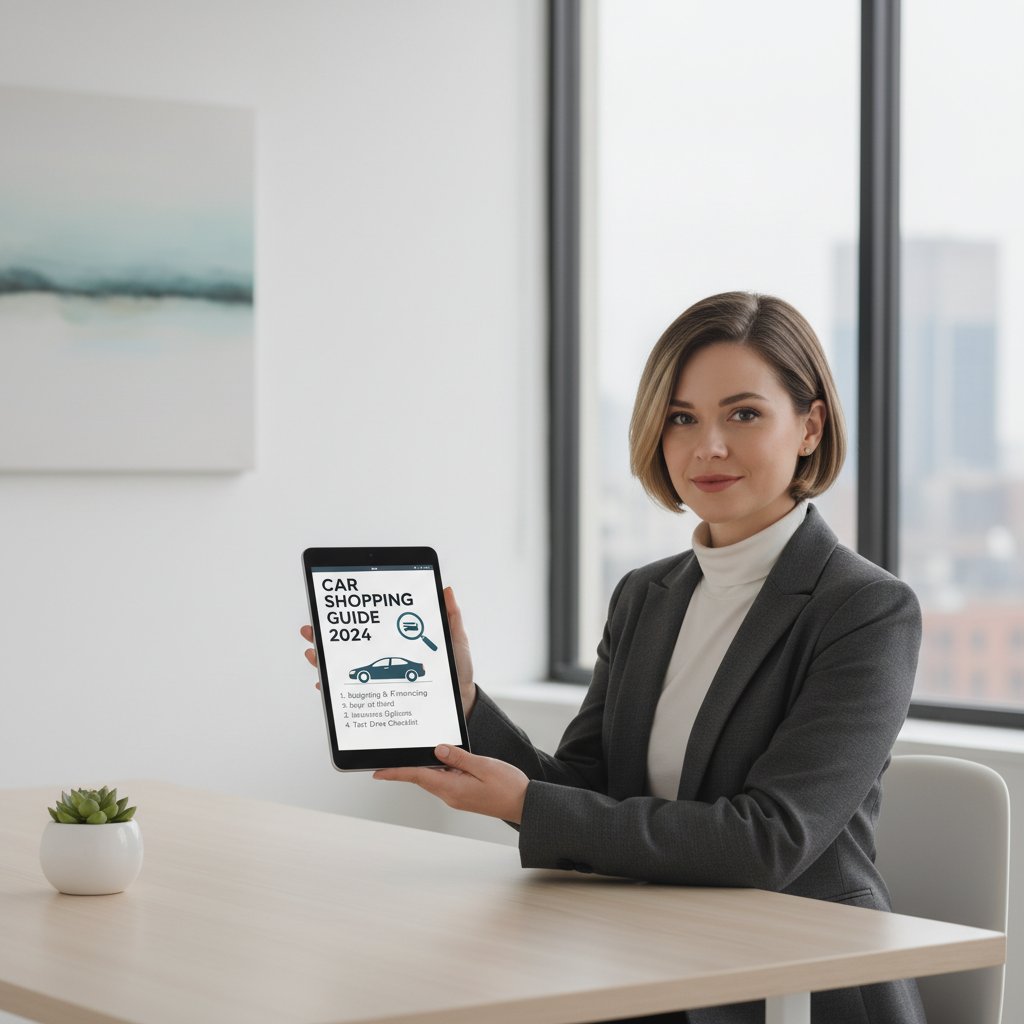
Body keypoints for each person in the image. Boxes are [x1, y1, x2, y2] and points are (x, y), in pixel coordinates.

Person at [302, 291, 926, 1024]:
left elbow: (769, 841)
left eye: (744, 414)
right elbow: (590, 787)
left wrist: (528, 805)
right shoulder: (646, 595)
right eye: (682, 418)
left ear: (811, 425)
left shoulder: (866, 609)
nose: (708, 447)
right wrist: (465, 703)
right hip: (646, 964)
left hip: (792, 987)